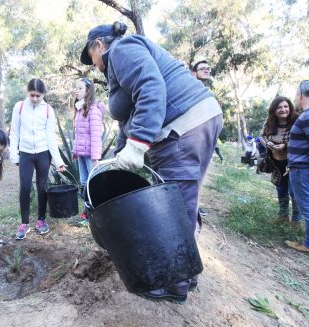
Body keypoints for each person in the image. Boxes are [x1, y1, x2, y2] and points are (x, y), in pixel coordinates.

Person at [80, 22, 223, 302]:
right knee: (181, 199)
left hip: (182, 125)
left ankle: (174, 284)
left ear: (99, 44)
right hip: (193, 121)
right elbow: (129, 117)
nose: (92, 64)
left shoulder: (121, 49)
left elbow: (151, 87)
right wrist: (121, 152)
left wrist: (139, 143)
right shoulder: (117, 69)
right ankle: (186, 274)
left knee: (175, 203)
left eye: (90, 56)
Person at [9, 78, 66, 240]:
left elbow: (51, 137)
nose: (34, 99)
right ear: (27, 93)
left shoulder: (48, 110)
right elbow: (14, 132)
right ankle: (24, 223)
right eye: (32, 95)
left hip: (43, 153)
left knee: (42, 187)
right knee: (25, 187)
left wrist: (58, 161)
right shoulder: (19, 107)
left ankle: (41, 220)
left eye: (38, 96)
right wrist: (14, 154)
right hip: (25, 153)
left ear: (43, 94)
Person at [260, 96, 300, 224]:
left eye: (286, 106)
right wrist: (269, 144)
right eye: (279, 107)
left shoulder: (297, 121)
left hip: (293, 163)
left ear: (290, 107)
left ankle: (296, 222)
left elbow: (302, 140)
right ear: (274, 110)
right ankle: (283, 217)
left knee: (294, 192)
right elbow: (262, 136)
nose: (283, 109)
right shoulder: (270, 122)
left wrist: (285, 145)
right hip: (276, 163)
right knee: (281, 190)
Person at [71, 77, 106, 226]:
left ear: (88, 91)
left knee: (93, 184)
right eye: (76, 88)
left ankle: (100, 214)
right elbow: (78, 135)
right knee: (84, 183)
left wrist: (96, 157)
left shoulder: (93, 110)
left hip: (91, 156)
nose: (76, 91)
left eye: (79, 88)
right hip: (82, 155)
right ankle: (88, 214)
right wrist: (75, 151)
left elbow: (96, 136)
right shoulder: (79, 109)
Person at [285, 80, 309, 253]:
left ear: (301, 95)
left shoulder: (308, 116)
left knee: (307, 206)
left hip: (302, 170)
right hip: (300, 168)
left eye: (295, 94)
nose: (295, 98)